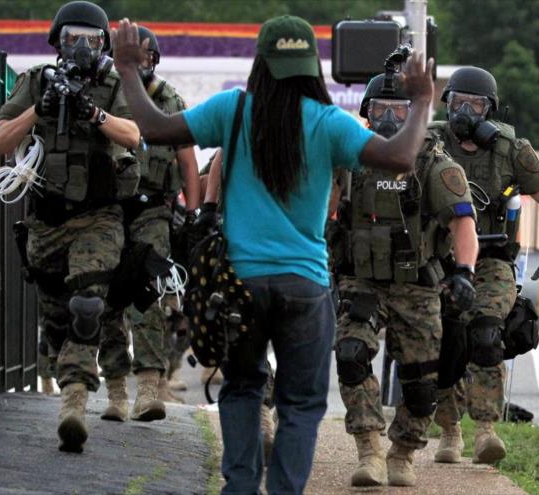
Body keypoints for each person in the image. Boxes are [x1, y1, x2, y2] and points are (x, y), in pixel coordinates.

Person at [111, 15, 435, 494]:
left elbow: (155, 128)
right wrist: (423, 100)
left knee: (241, 388)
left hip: (238, 286)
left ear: (260, 63)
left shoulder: (233, 110)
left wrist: (127, 71)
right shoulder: (329, 124)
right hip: (304, 286)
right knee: (301, 403)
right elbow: (401, 157)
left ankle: (240, 487)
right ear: (312, 68)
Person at [0, 0, 140, 453]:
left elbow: (134, 135)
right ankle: (69, 387)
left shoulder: (114, 85)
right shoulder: (35, 81)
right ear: (58, 41)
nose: (81, 47)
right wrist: (40, 108)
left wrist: (92, 114)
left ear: (104, 45)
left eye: (91, 40)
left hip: (98, 215)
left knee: (88, 305)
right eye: (72, 38)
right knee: (56, 323)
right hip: (48, 220)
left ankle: (74, 405)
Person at [333, 74, 478, 487]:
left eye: (401, 110)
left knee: (420, 382)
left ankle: (402, 453)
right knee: (350, 353)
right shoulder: (349, 159)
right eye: (381, 109)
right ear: (366, 112)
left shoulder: (434, 163)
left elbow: (463, 224)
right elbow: (324, 206)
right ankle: (369, 449)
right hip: (363, 281)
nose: (391, 118)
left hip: (416, 285)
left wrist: (465, 272)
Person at [428, 66, 539, 465]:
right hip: (441, 259)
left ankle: (486, 431)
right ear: (447, 104)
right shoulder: (431, 142)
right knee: (442, 340)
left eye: (476, 105)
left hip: (492, 260)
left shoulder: (510, 149)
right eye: (458, 103)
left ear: (490, 110)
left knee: (487, 333)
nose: (466, 113)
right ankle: (450, 430)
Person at [97, 25, 200, 423]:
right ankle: (117, 388)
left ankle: (150, 388)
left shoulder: (169, 101)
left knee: (150, 297)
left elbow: (188, 163)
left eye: (144, 55)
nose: (139, 62)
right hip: (106, 211)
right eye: (130, 54)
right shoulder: (105, 94)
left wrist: (192, 215)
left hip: (153, 210)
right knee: (105, 298)